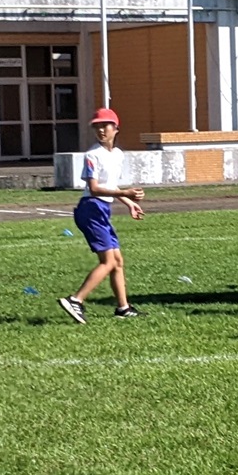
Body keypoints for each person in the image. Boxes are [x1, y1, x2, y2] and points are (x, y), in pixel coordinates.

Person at [58, 107, 146, 325]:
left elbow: (111, 185)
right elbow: (95, 188)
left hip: (101, 209)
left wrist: (129, 203)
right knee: (108, 262)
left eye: (105, 125)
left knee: (117, 261)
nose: (101, 130)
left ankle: (123, 308)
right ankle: (75, 300)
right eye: (97, 126)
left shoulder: (117, 155)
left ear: (116, 128)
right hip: (91, 209)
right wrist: (125, 193)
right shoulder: (92, 155)